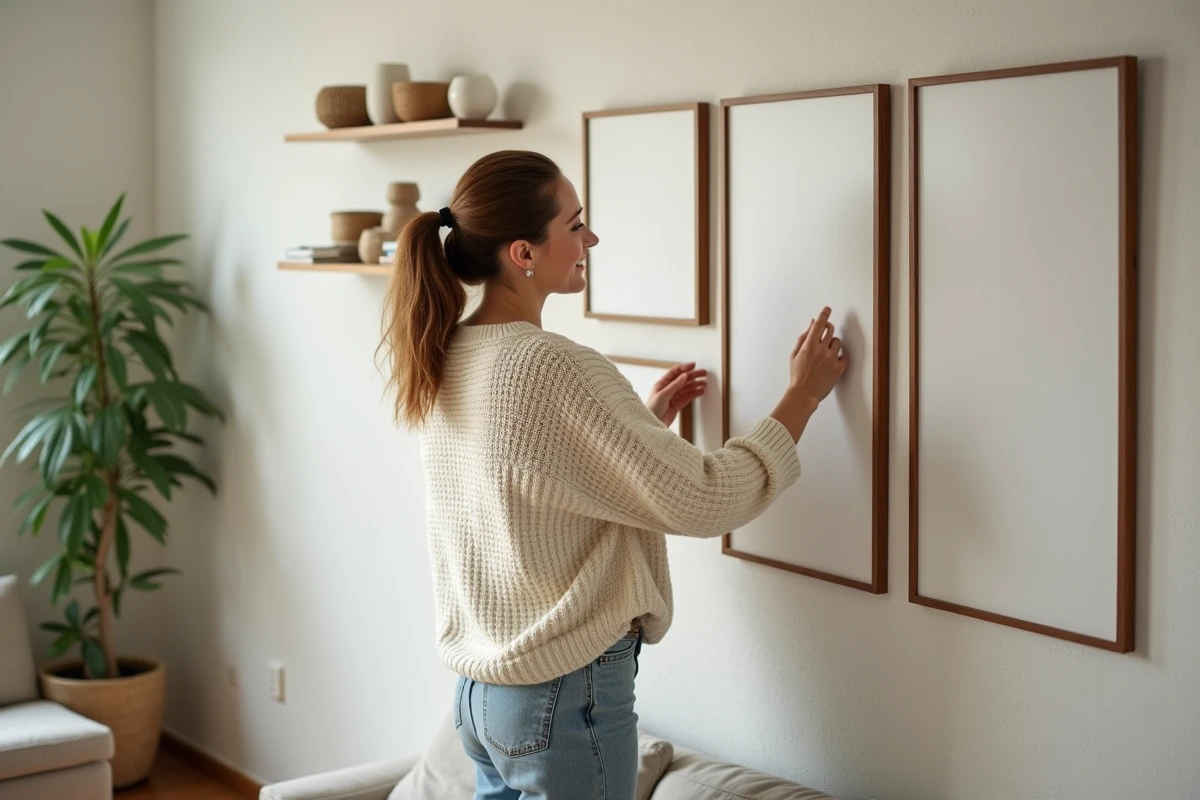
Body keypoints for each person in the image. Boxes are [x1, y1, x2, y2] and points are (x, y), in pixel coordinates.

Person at [379, 150, 846, 800]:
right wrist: (801, 398)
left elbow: (523, 482)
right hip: (561, 698)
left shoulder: (447, 353)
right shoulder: (549, 365)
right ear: (523, 252)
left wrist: (641, 424)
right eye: (575, 225)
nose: (590, 238)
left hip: (483, 702)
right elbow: (706, 499)